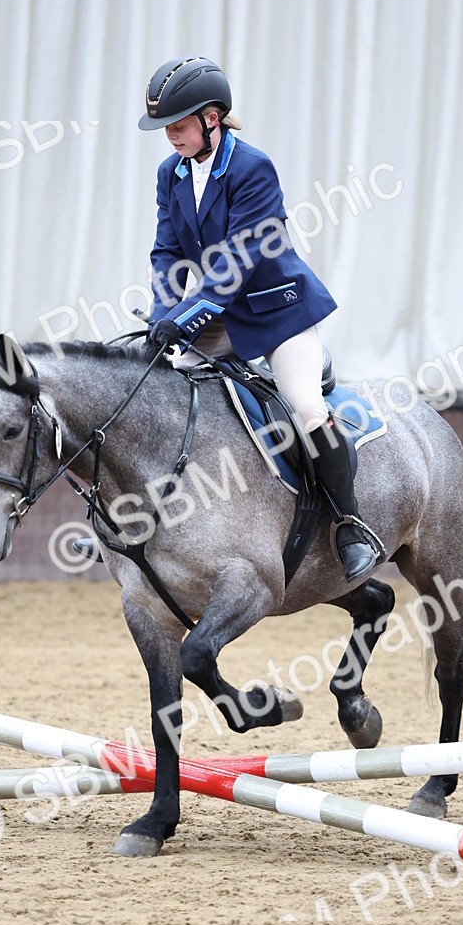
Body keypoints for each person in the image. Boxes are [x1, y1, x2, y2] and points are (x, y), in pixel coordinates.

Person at [138, 55, 377, 582]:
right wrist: (161, 317)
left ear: (211, 118)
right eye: (165, 128)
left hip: (277, 312)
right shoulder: (170, 173)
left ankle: (350, 525)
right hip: (218, 315)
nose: (170, 136)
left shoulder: (252, 167)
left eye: (178, 125)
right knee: (155, 387)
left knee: (305, 407)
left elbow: (237, 262)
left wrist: (187, 317)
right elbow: (166, 253)